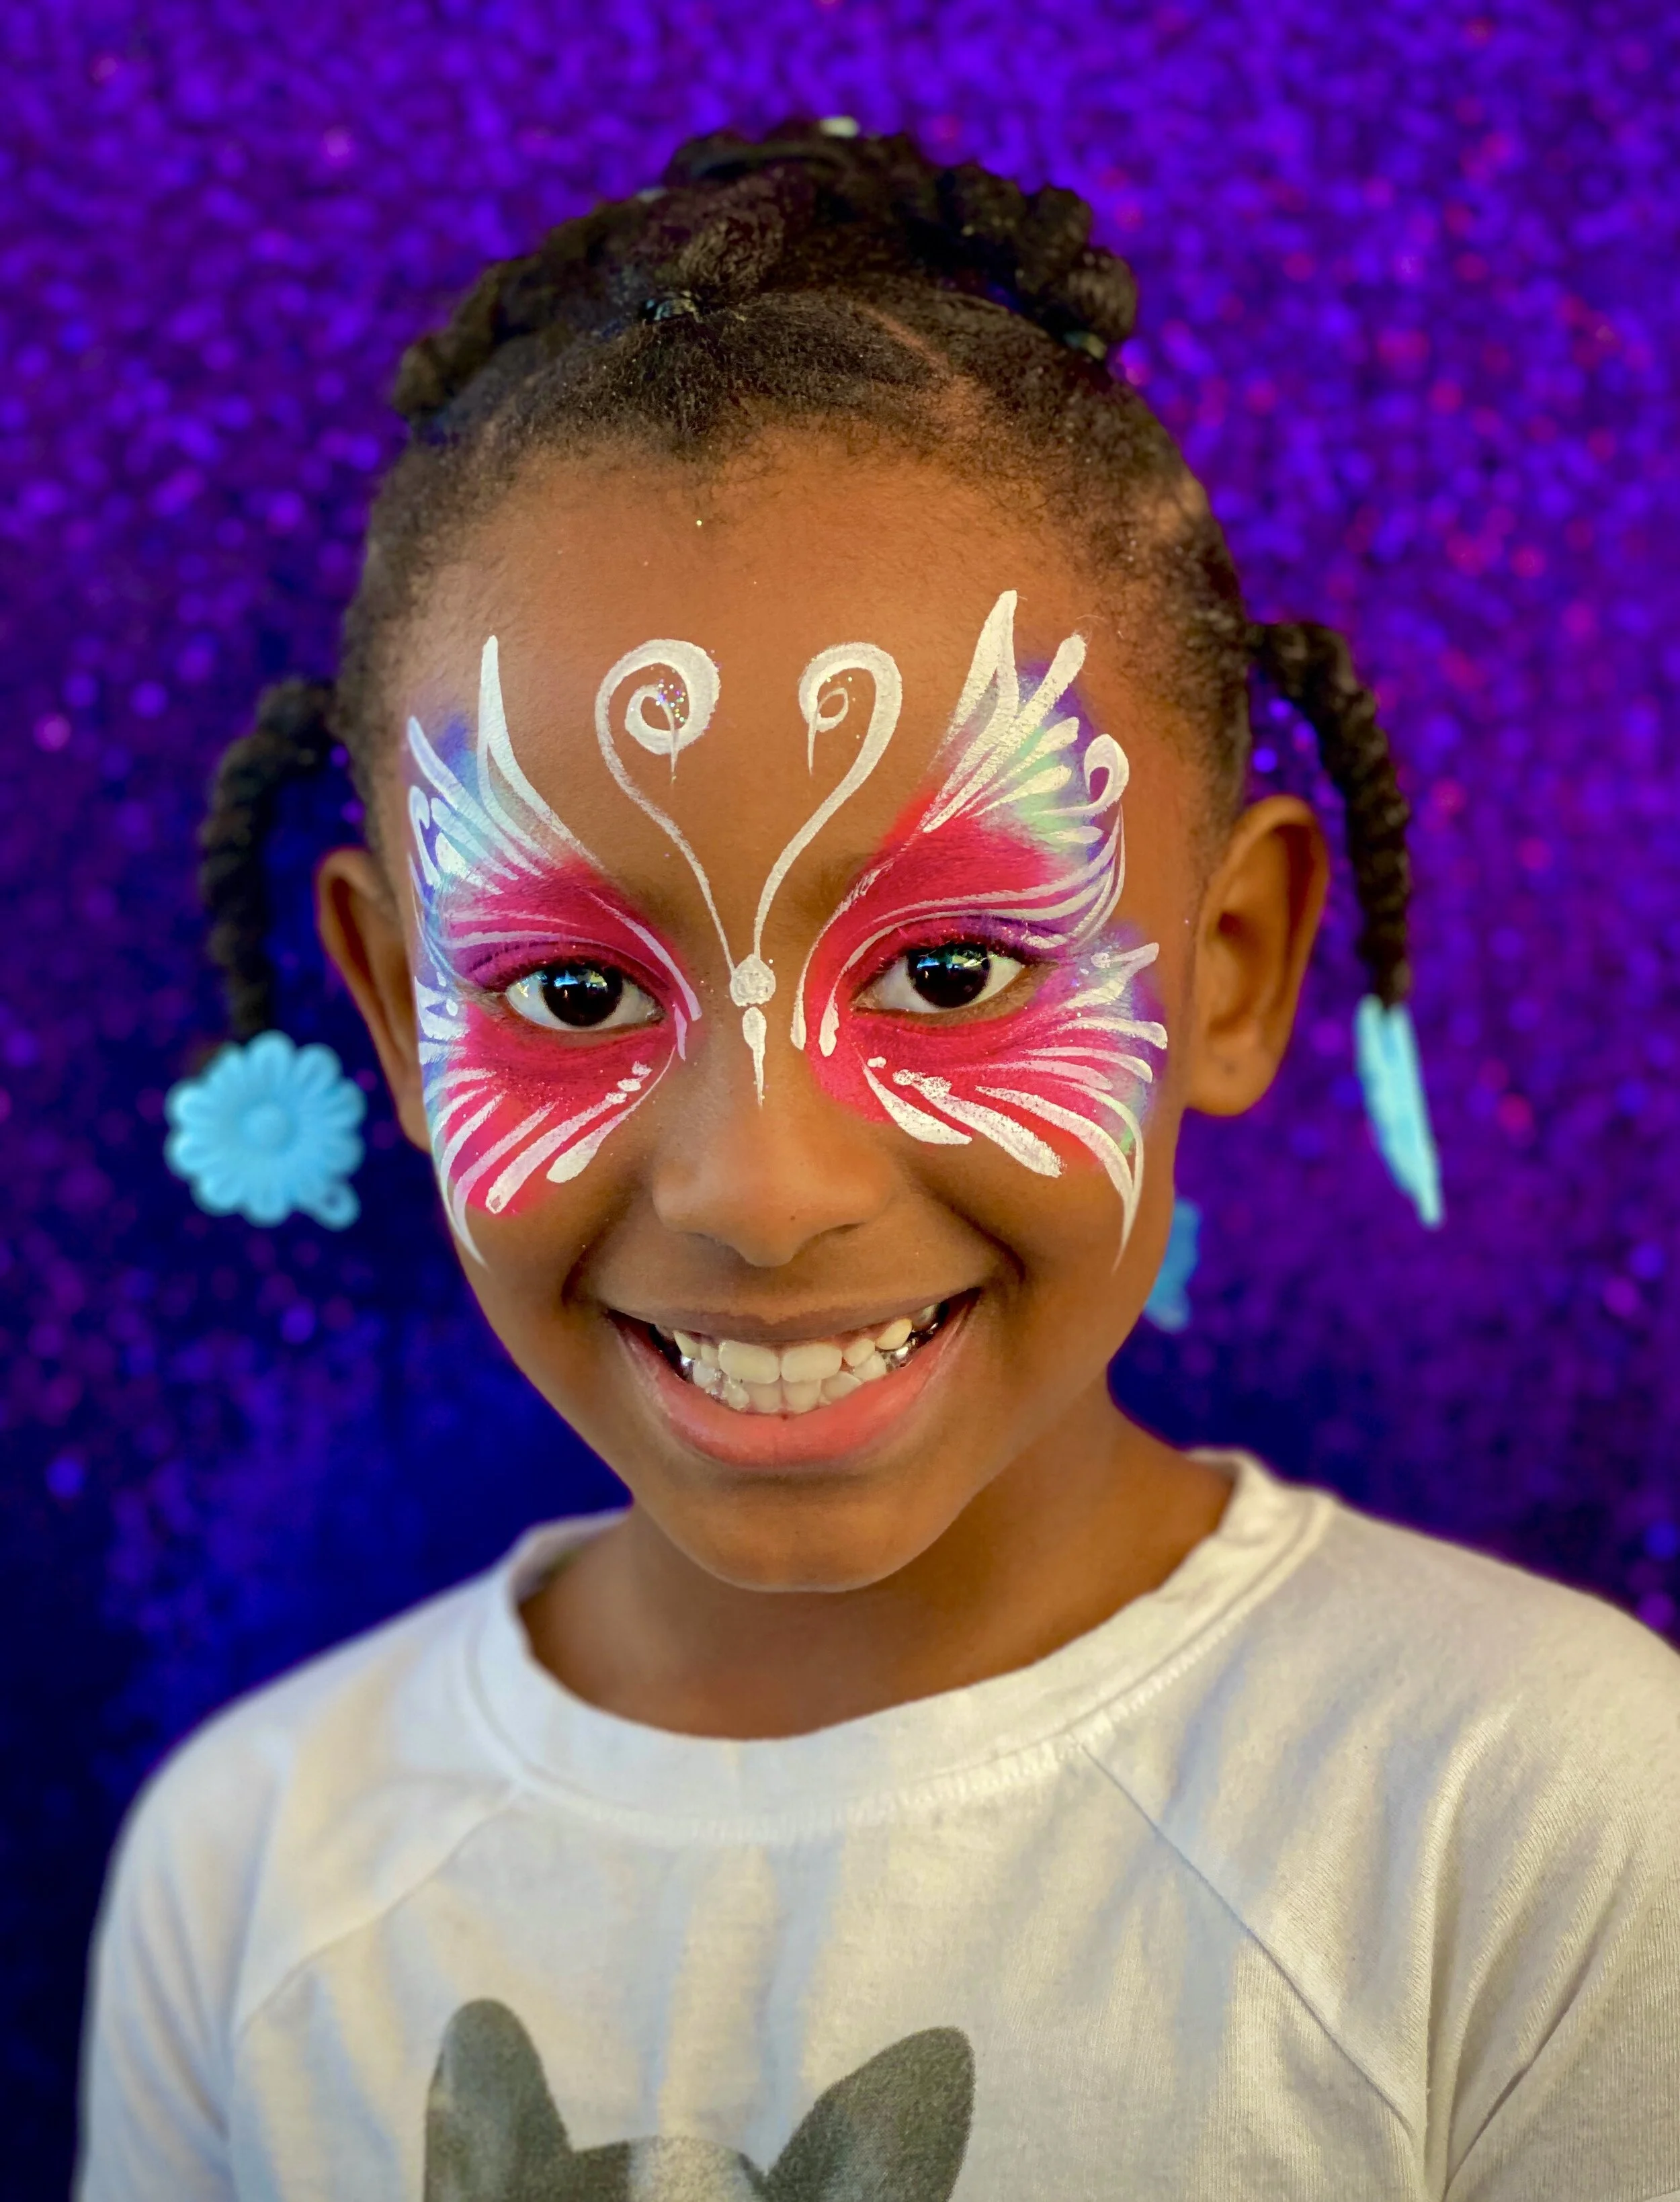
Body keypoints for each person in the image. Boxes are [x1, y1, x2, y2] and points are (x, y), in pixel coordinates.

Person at [78, 121, 1680, 2201]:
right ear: (396, 1013)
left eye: (946, 963)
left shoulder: (1533, 1818)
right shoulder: (251, 1868)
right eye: (569, 994)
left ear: (1227, 966)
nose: (760, 1187)